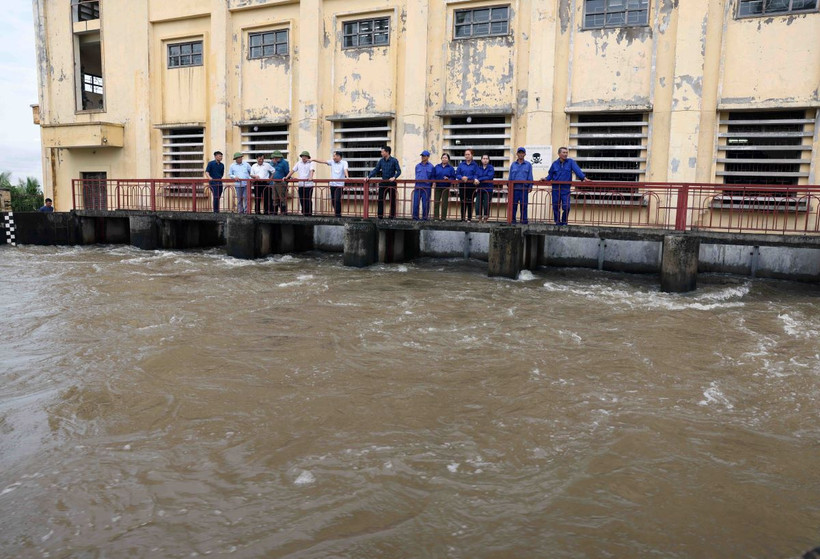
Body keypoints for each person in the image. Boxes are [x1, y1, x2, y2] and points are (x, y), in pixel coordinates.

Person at [543, 146, 590, 226]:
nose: (565, 154)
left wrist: (584, 178)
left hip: (565, 189)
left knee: (566, 207)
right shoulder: (554, 164)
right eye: (563, 152)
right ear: (559, 154)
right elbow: (550, 175)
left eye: (566, 153)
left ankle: (564, 222)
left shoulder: (570, 162)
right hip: (556, 189)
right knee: (556, 206)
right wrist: (545, 179)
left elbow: (577, 170)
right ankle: (557, 222)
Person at [311, 151, 349, 217]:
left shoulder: (344, 163)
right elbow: (323, 161)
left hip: (339, 185)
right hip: (332, 184)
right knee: (333, 200)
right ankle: (337, 213)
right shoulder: (332, 162)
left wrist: (347, 177)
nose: (333, 157)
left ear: (338, 156)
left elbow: (345, 170)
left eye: (334, 156)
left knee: (337, 200)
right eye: (333, 156)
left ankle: (338, 215)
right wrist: (313, 159)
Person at [368, 146, 401, 219]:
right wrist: (368, 177)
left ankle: (392, 216)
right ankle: (380, 216)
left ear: (387, 152)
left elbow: (399, 171)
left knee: (392, 200)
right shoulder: (381, 161)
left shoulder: (394, 160)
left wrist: (394, 177)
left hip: (391, 182)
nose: (381, 153)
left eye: (382, 152)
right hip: (383, 182)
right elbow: (376, 170)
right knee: (380, 199)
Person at [285, 151, 316, 216]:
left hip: (309, 185)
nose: (304, 158)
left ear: (308, 157)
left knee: (308, 200)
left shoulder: (310, 163)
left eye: (305, 156)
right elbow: (293, 170)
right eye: (302, 156)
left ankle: (309, 213)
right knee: (302, 199)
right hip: (301, 185)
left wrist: (310, 177)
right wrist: (287, 177)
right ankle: (304, 213)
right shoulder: (299, 163)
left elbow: (311, 170)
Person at [508, 147, 534, 224]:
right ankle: (512, 221)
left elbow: (530, 176)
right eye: (519, 153)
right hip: (514, 188)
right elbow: (510, 177)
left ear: (525, 154)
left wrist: (530, 186)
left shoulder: (528, 165)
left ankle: (524, 221)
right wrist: (509, 187)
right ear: (517, 154)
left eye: (522, 153)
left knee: (524, 205)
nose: (521, 154)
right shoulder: (513, 164)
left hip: (524, 188)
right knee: (513, 206)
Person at [455, 149, 479, 222]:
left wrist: (468, 178)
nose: (467, 156)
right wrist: (462, 177)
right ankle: (462, 218)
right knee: (463, 202)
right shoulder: (461, 164)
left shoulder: (475, 165)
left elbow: (476, 174)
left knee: (470, 202)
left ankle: (469, 218)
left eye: (468, 154)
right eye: (466, 154)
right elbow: (457, 174)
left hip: (471, 186)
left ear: (472, 155)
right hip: (462, 186)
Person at [412, 150, 435, 221]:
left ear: (428, 157)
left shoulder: (431, 167)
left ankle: (424, 218)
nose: (422, 157)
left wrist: (430, 185)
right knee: (415, 203)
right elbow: (416, 175)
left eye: (424, 156)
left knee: (425, 204)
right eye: (422, 156)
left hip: (426, 188)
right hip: (418, 187)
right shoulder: (417, 166)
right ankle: (415, 218)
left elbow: (432, 177)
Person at [433, 153, 456, 221]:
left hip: (446, 187)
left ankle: (443, 218)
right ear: (441, 158)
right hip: (438, 187)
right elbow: (433, 176)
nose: (444, 159)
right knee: (436, 202)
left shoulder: (451, 168)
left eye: (446, 158)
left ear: (448, 159)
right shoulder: (437, 166)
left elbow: (453, 178)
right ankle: (436, 218)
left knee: (444, 203)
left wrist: (448, 179)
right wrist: (434, 181)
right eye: (443, 157)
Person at [475, 154, 495, 223]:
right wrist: (475, 179)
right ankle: (479, 219)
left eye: (487, 158)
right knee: (478, 204)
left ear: (488, 160)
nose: (485, 160)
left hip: (488, 189)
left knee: (486, 204)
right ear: (481, 160)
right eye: (484, 158)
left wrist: (479, 179)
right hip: (479, 189)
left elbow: (489, 177)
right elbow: (476, 175)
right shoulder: (478, 168)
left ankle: (485, 219)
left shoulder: (491, 168)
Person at [270, 150, 290, 215]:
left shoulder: (284, 163)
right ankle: (275, 212)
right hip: (274, 182)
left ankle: (283, 212)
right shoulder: (275, 163)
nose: (274, 159)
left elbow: (287, 172)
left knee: (282, 197)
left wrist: (286, 180)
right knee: (274, 197)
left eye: (275, 158)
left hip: (281, 182)